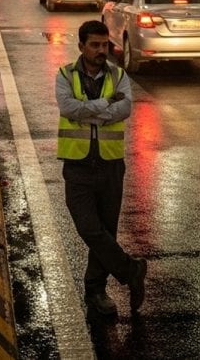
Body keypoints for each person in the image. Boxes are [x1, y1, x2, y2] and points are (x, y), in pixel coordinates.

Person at [57, 19, 144, 318]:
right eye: (94, 45)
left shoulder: (119, 74)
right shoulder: (65, 75)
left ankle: (96, 290)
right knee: (89, 229)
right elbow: (67, 108)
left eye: (104, 45)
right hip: (78, 166)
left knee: (107, 230)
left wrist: (90, 112)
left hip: (110, 165)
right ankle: (131, 270)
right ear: (81, 46)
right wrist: (105, 105)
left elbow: (125, 109)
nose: (100, 50)